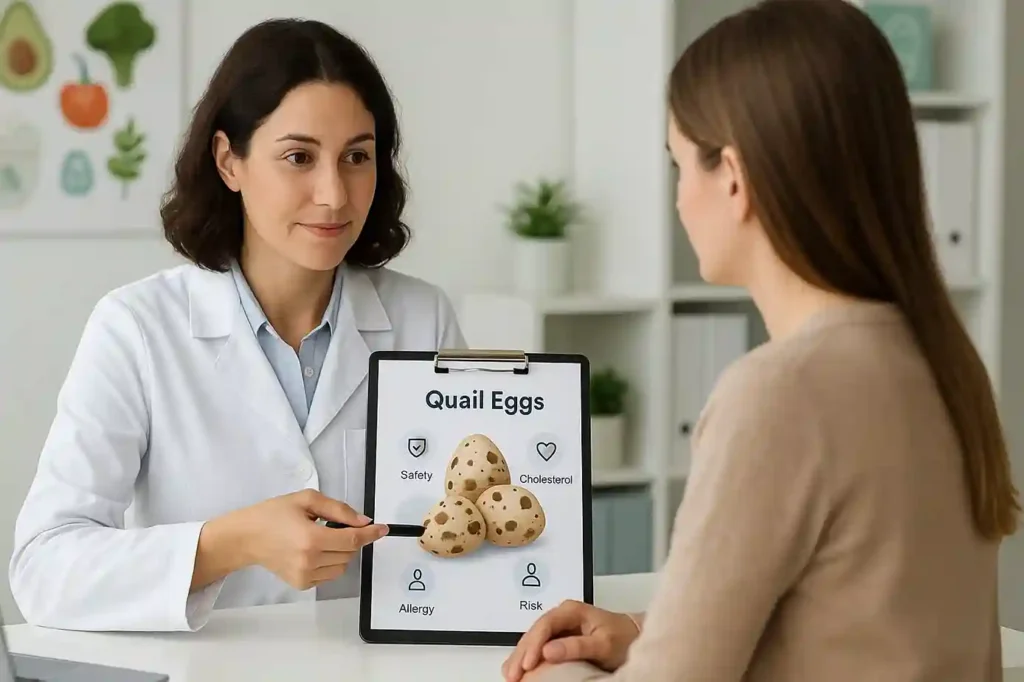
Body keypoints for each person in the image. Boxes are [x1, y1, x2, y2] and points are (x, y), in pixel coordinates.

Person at [502, 1, 1020, 680]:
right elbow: (858, 625)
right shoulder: (943, 362)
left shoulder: (782, 394)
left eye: (681, 166)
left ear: (735, 178)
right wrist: (645, 631)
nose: (680, 198)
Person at [8, 18, 465, 633]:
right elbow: (43, 569)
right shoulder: (137, 328)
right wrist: (229, 543)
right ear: (229, 161)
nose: (334, 194)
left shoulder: (423, 318)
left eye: (356, 156)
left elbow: (466, 518)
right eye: (298, 157)